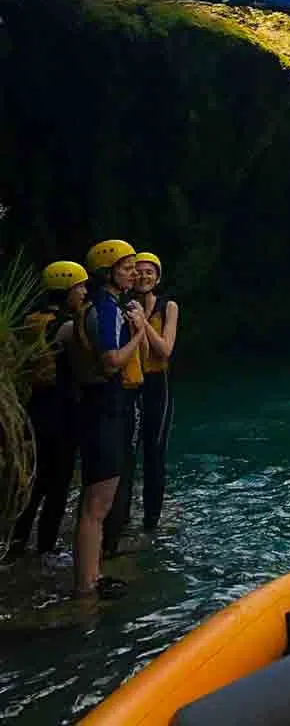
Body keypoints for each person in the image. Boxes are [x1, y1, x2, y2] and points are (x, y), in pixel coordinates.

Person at [69, 240, 146, 600]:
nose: (134, 271)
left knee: (94, 503)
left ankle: (92, 575)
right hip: (104, 409)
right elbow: (112, 360)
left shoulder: (102, 305)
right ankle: (86, 585)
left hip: (97, 407)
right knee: (96, 506)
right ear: (109, 270)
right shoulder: (105, 307)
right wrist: (141, 332)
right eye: (128, 266)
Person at [6, 262, 87, 559]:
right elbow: (82, 366)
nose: (83, 292)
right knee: (58, 482)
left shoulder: (28, 320)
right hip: (62, 409)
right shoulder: (66, 326)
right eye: (79, 287)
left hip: (35, 407)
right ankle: (46, 547)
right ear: (66, 289)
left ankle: (17, 542)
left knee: (36, 480)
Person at [131, 252, 178, 533]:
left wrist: (143, 320)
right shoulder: (124, 305)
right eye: (139, 271)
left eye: (150, 272)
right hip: (130, 385)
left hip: (158, 384)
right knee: (126, 454)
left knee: (154, 452)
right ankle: (120, 519)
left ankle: (151, 522)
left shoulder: (167, 306)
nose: (144, 276)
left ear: (157, 277)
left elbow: (165, 349)